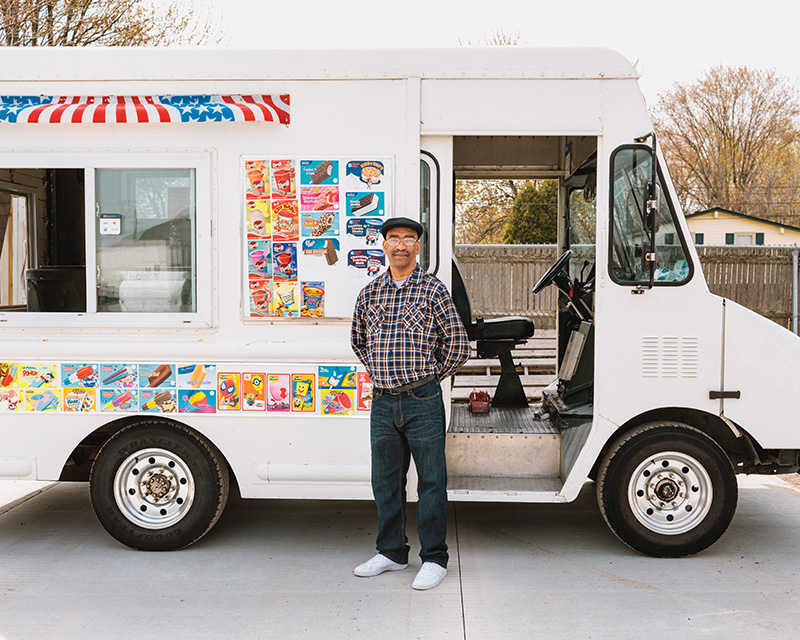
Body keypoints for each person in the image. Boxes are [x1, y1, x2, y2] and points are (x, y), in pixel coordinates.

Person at [350, 216, 470, 591]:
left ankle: (434, 558)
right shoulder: (370, 293)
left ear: (418, 247)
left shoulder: (433, 290)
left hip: (423, 399)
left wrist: (429, 376)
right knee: (385, 482)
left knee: (432, 482)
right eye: (393, 238)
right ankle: (391, 553)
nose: (400, 245)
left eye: (408, 239)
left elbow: (458, 345)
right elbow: (358, 341)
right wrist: (382, 372)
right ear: (383, 245)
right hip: (383, 402)